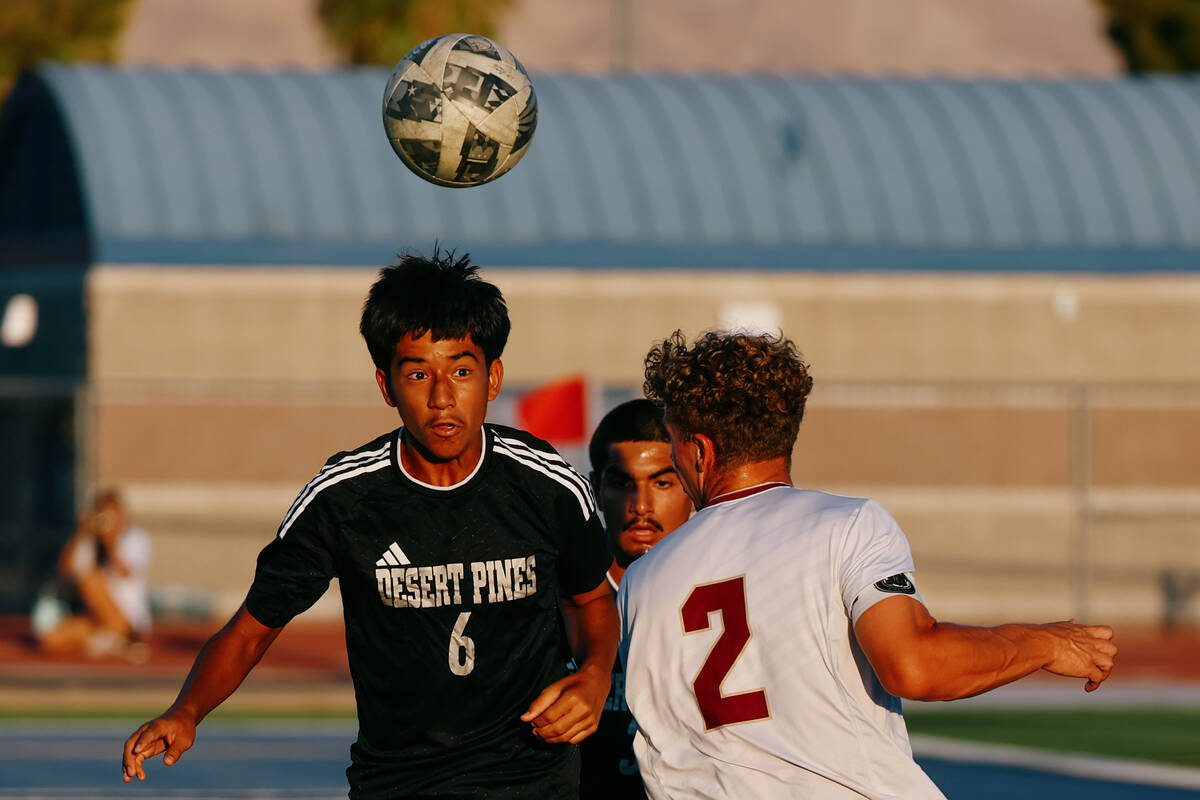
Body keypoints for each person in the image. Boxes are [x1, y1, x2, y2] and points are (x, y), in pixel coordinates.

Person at [122, 250, 619, 799]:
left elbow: (590, 599)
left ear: (493, 377)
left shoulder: (546, 481)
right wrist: (186, 710)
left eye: (460, 370)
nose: (442, 397)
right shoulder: (344, 498)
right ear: (386, 386)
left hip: (532, 780)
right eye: (417, 374)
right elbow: (251, 630)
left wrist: (596, 674)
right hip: (399, 783)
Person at [618, 330, 1117, 800]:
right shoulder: (847, 524)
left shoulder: (641, 581)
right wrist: (1046, 642)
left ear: (700, 449)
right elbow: (915, 666)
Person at [576, 399, 692, 800]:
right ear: (595, 487)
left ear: (692, 486)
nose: (640, 506)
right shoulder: (558, 596)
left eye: (662, 482)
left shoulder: (725, 590)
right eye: (622, 483)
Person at [38, 489, 151, 662]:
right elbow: (65, 571)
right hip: (95, 619)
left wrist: (111, 541)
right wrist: (81, 533)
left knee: (91, 579)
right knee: (51, 639)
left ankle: (115, 639)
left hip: (127, 620)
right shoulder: (88, 541)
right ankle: (114, 643)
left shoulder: (135, 538)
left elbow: (126, 572)